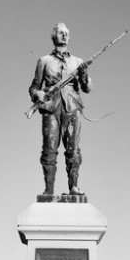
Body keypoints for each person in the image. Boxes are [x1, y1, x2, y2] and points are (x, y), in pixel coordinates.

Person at [29, 23, 92, 196]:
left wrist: (85, 75)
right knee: (49, 149)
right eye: (60, 33)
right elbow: (34, 87)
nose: (64, 36)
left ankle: (74, 187)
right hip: (51, 109)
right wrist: (38, 94)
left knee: (73, 149)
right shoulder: (44, 61)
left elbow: (87, 88)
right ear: (54, 36)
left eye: (66, 33)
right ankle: (49, 190)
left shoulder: (77, 62)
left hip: (72, 108)